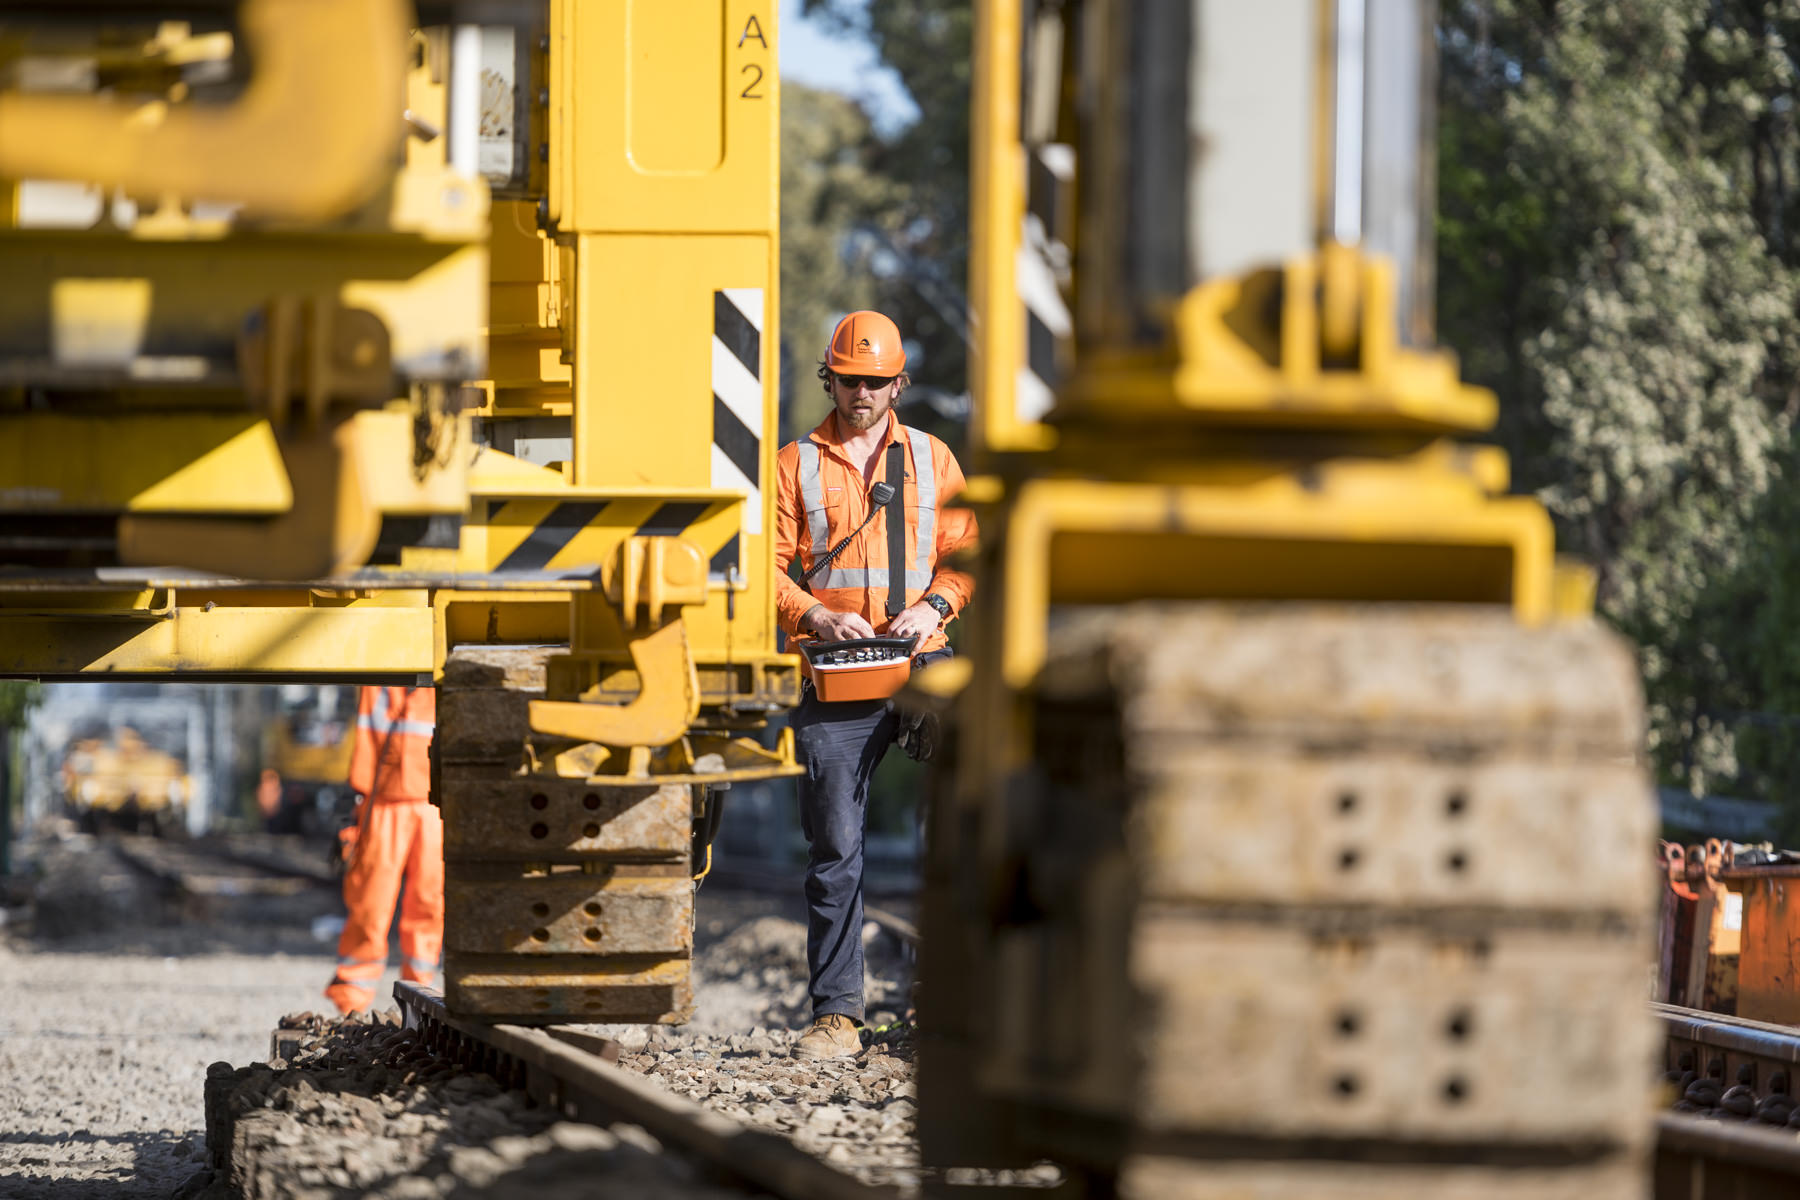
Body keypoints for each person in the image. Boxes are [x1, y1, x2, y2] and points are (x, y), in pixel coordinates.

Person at [773, 310, 977, 1059]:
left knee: (975, 807)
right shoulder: (794, 464)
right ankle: (837, 1016)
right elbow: (764, 564)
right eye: (849, 380)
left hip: (921, 661)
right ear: (831, 378)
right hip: (838, 674)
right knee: (835, 841)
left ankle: (961, 1000)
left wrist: (935, 606)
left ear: (900, 384)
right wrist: (816, 618)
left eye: (876, 381)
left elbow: (968, 553)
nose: (862, 393)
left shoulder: (932, 458)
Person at [323, 684, 442, 1016]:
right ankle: (351, 1004)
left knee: (429, 903)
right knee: (369, 905)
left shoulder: (441, 676)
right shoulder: (377, 676)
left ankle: (422, 999)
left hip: (433, 803)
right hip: (381, 803)